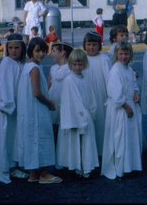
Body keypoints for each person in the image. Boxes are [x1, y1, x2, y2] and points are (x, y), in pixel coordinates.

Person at [16, 37, 63, 184]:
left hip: (27, 110)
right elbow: (37, 93)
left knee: (31, 138)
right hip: (36, 110)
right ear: (31, 51)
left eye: (43, 51)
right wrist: (49, 103)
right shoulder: (35, 68)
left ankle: (33, 173)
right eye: (37, 51)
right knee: (41, 137)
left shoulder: (27, 66)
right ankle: (43, 173)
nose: (41, 54)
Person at [0, 33, 29, 184]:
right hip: (6, 107)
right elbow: (3, 85)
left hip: (18, 108)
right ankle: (4, 168)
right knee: (4, 136)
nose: (14, 51)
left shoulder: (22, 64)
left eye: (17, 48)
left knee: (14, 137)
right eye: (11, 48)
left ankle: (12, 165)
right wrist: (6, 104)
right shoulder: (6, 63)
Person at [102, 41, 143, 179]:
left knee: (131, 137)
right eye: (121, 54)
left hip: (131, 105)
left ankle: (131, 165)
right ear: (116, 55)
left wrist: (136, 92)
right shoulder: (115, 70)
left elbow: (133, 84)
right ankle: (121, 167)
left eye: (126, 54)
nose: (124, 56)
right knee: (121, 138)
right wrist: (125, 106)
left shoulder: (129, 69)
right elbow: (114, 92)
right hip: (122, 109)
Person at [56, 49, 99, 178]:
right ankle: (77, 166)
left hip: (85, 116)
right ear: (70, 64)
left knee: (85, 143)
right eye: (74, 64)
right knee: (76, 142)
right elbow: (69, 101)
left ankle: (86, 166)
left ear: (84, 64)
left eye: (80, 64)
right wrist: (80, 117)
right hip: (74, 117)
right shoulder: (69, 80)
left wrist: (92, 112)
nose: (77, 67)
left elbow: (91, 97)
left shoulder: (86, 78)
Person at [82, 32, 112, 156]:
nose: (91, 47)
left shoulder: (104, 59)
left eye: (94, 44)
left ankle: (102, 152)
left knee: (101, 122)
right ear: (84, 45)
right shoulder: (82, 58)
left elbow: (109, 79)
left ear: (99, 45)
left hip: (101, 95)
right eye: (89, 44)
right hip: (86, 94)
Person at [48, 42, 74, 143]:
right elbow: (48, 86)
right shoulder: (53, 68)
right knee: (53, 130)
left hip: (65, 105)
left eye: (54, 51)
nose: (51, 54)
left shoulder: (70, 69)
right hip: (53, 105)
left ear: (62, 53)